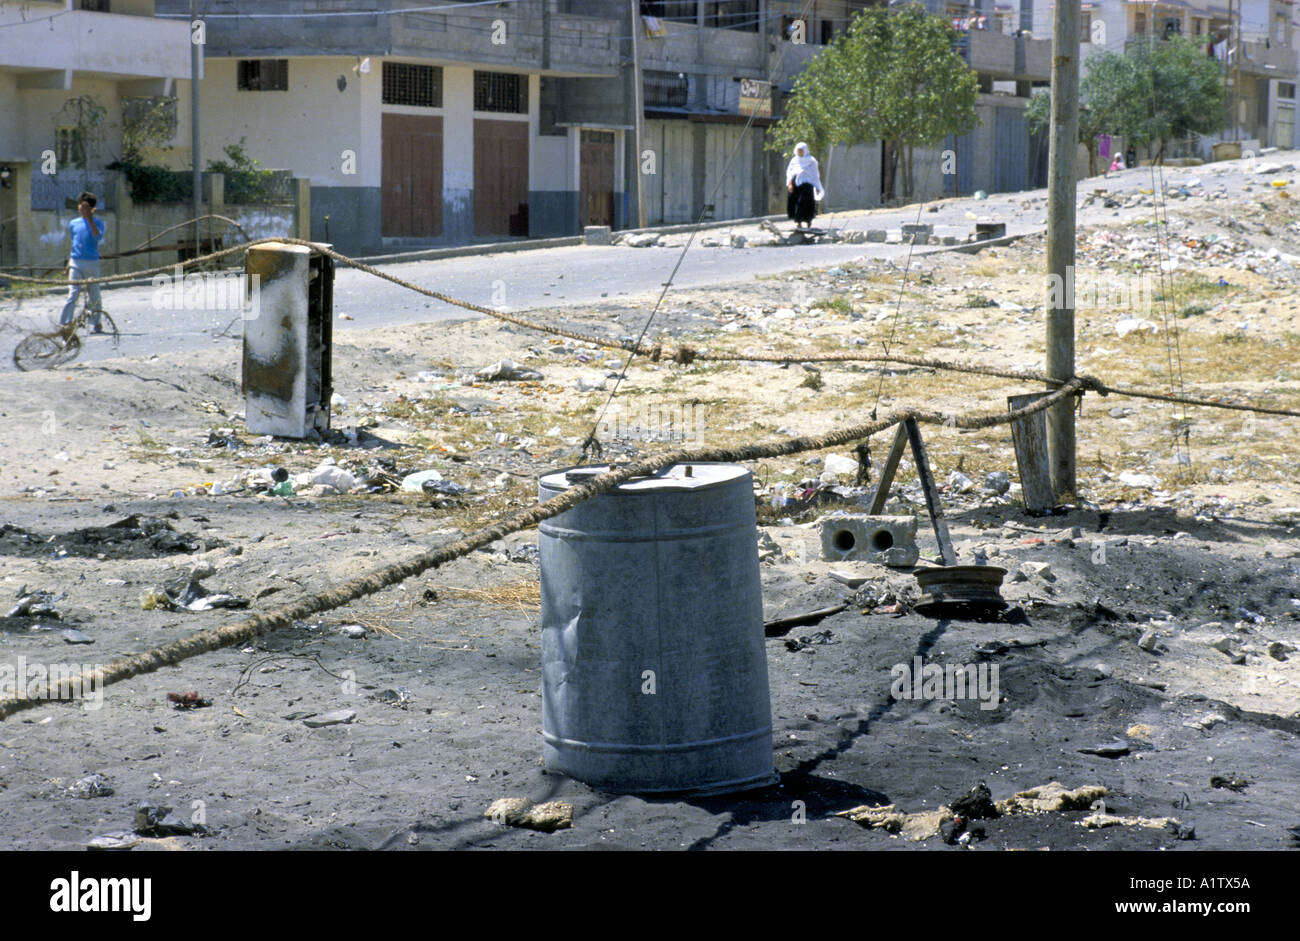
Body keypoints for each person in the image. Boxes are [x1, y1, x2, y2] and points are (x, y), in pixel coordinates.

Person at [59, 191, 106, 333]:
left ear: (92, 208)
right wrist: (69, 264)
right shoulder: (73, 223)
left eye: (85, 206)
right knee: (73, 293)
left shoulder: (98, 223)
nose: (81, 208)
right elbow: (74, 243)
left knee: (94, 293)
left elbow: (97, 237)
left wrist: (90, 218)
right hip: (76, 262)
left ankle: (96, 323)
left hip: (92, 263)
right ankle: (65, 323)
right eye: (80, 205)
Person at [785, 142, 825, 230]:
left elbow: (815, 175)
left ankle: (808, 221)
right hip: (796, 184)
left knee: (805, 202)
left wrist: (817, 187)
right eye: (798, 151)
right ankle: (798, 222)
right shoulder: (794, 161)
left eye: (801, 151)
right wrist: (790, 184)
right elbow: (789, 173)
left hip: (807, 185)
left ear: (805, 150)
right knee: (794, 201)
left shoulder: (811, 161)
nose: (800, 152)